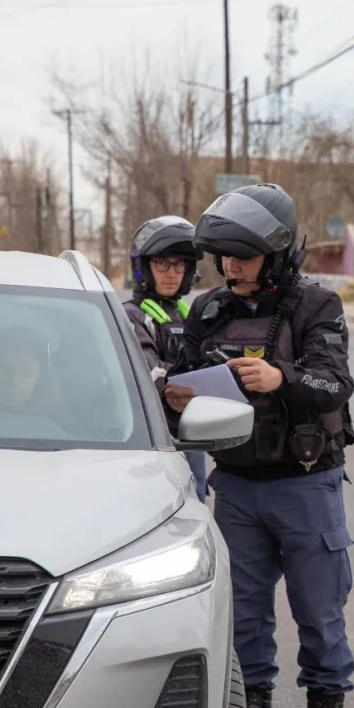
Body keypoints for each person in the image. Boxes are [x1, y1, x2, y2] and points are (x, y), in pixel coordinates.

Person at [161, 184, 354, 708]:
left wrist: (280, 376)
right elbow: (178, 386)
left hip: (305, 484)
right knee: (242, 615)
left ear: (276, 252)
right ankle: (252, 706)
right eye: (224, 256)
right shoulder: (208, 310)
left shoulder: (317, 305)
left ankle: (326, 703)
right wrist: (175, 396)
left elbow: (336, 384)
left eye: (243, 257)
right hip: (238, 487)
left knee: (319, 614)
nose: (231, 266)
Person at [121, 214, 209, 502]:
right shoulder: (132, 316)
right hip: (155, 442)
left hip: (191, 436)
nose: (172, 273)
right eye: (162, 263)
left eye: (179, 264)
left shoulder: (191, 314)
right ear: (144, 266)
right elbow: (149, 376)